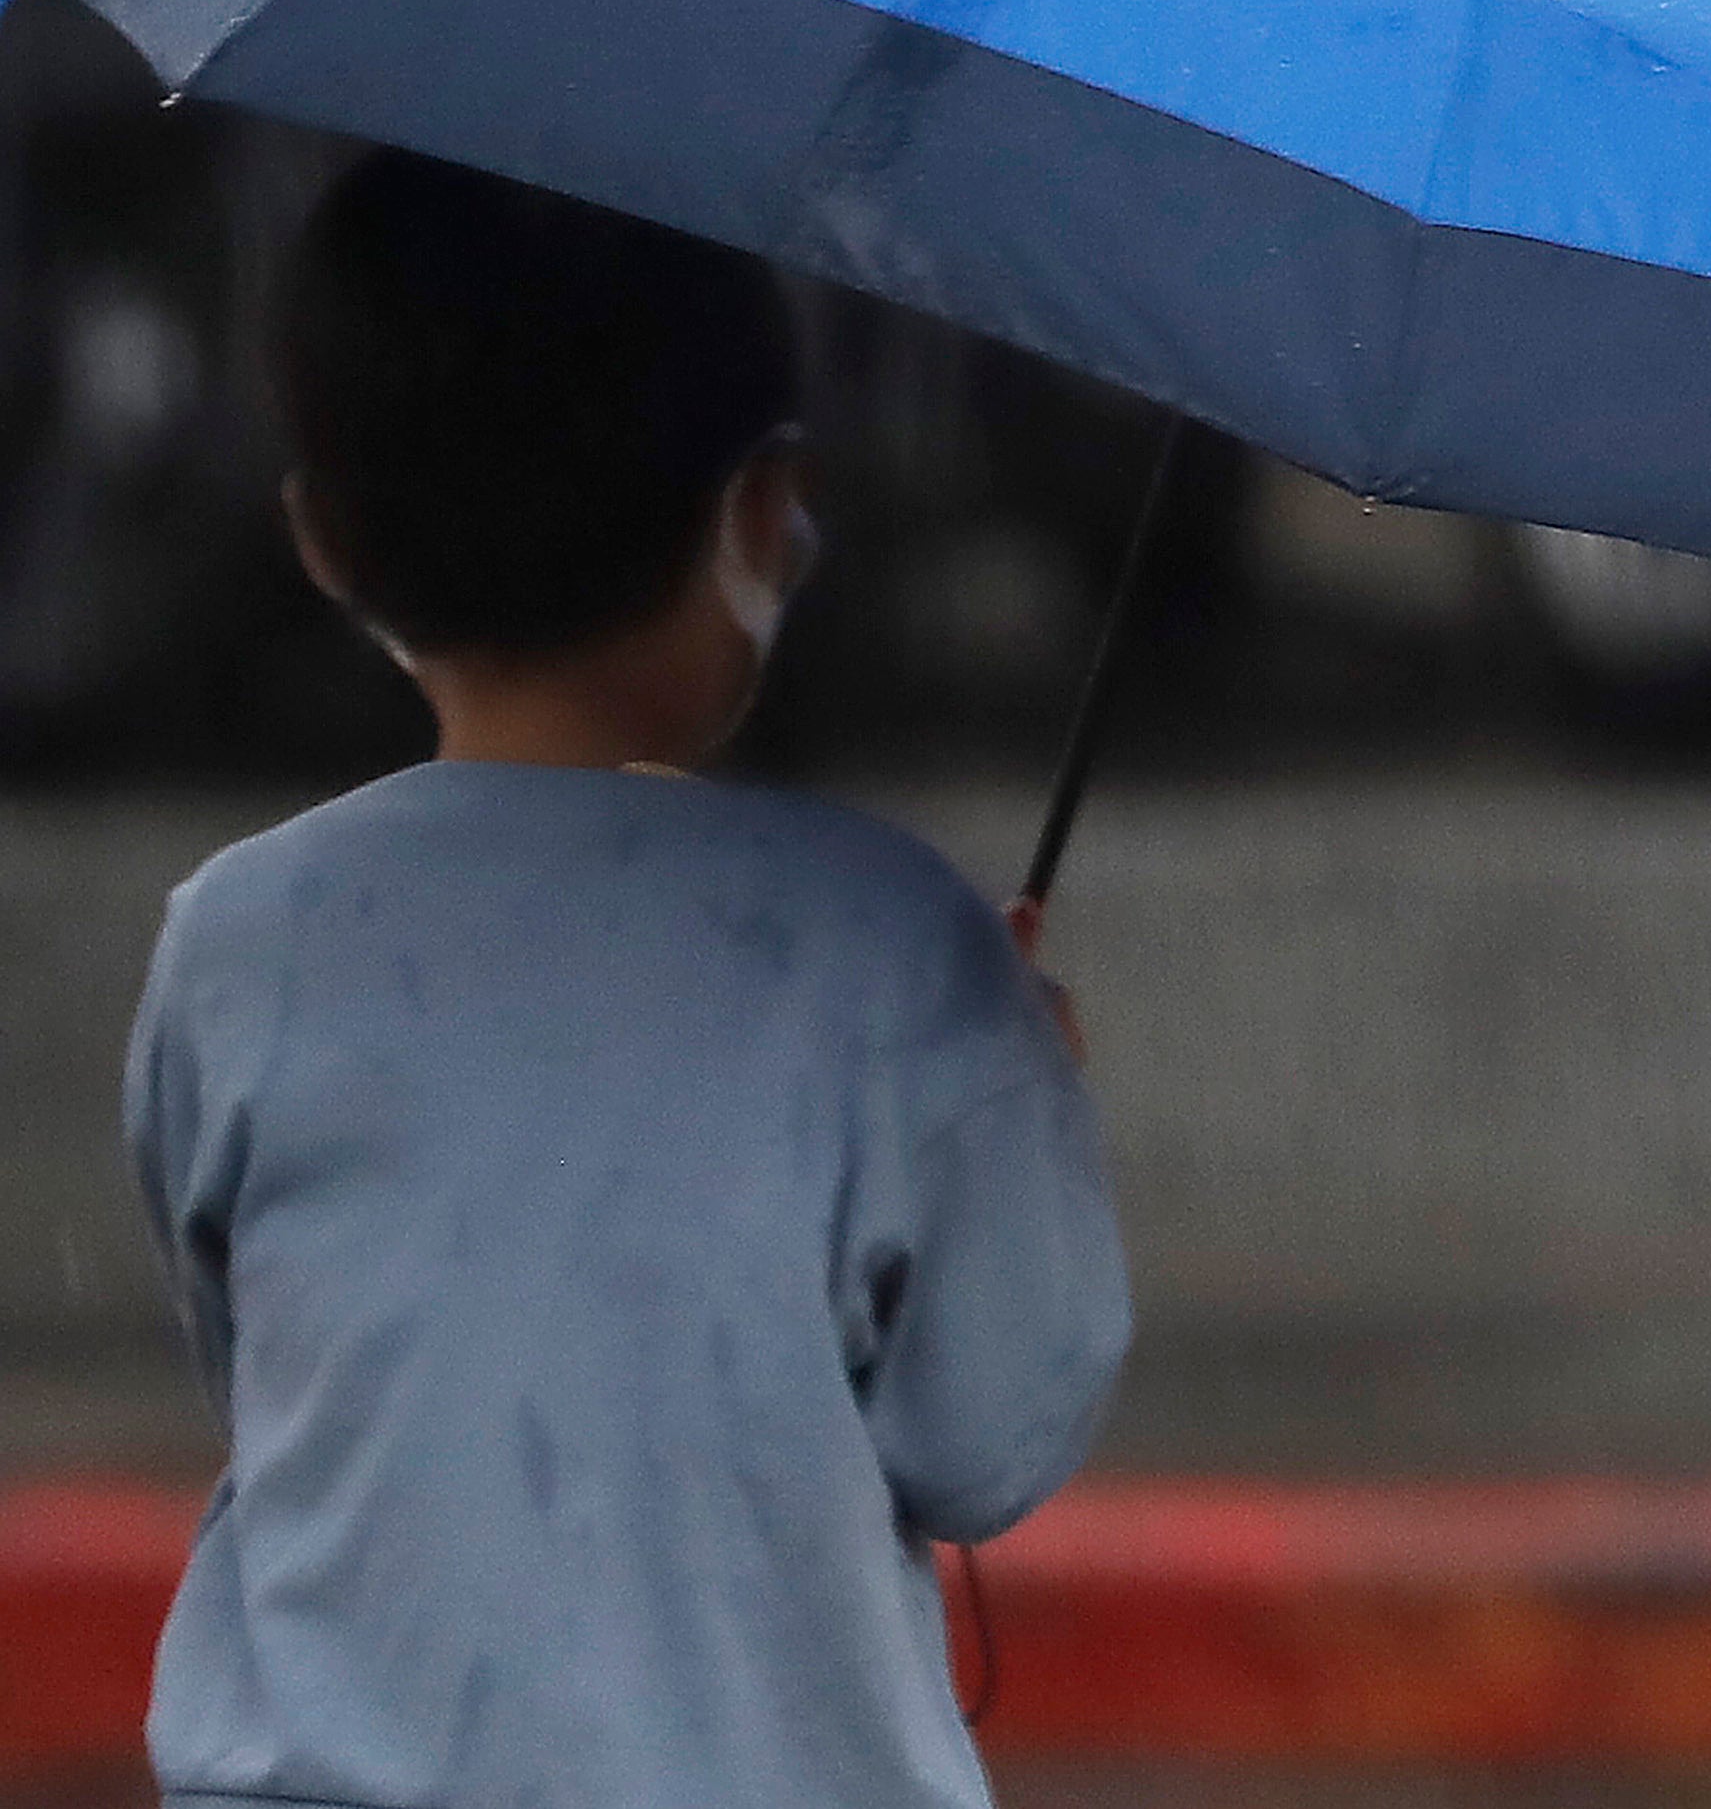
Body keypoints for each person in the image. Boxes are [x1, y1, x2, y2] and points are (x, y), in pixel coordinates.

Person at [125, 150, 1129, 1809]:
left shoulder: (237, 943)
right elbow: (986, 1443)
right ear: (759, 517)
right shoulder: (894, 950)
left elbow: (265, 1354)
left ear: (320, 534)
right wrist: (1026, 1100)